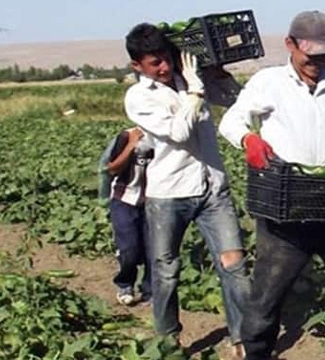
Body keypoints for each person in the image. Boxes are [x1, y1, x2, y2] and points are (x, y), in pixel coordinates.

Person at [219, 10, 325, 360]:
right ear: (290, 44)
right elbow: (231, 120)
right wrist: (248, 141)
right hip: (286, 207)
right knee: (266, 301)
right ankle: (255, 353)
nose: (318, 60)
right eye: (311, 53)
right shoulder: (268, 82)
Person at [124, 23, 250, 357]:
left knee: (234, 265)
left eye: (166, 58)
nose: (164, 67)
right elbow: (179, 133)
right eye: (155, 63)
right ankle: (169, 337)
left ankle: (242, 340)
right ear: (138, 66)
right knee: (166, 270)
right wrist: (194, 94)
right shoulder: (139, 97)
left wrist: (215, 74)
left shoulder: (188, 77)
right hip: (169, 194)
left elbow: (236, 99)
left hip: (212, 188)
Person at [99, 127, 153, 306]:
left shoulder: (164, 135)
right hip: (124, 199)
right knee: (129, 248)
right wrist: (131, 146)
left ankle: (149, 290)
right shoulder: (125, 136)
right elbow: (111, 168)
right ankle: (124, 284)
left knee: (153, 249)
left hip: (153, 201)